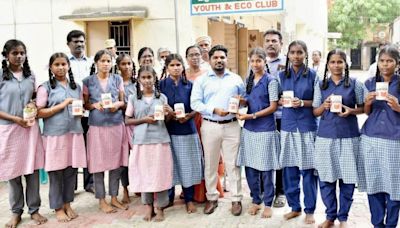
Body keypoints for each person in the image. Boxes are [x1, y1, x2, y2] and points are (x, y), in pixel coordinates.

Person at [312, 49, 364, 228]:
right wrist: (324, 106)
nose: (336, 65)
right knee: (326, 180)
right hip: (326, 137)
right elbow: (315, 111)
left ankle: (343, 218)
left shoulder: (355, 84)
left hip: (349, 136)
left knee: (347, 180)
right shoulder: (321, 85)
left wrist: (351, 110)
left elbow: (364, 108)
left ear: (345, 64)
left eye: (340, 62)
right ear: (327, 65)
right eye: (333, 62)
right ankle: (330, 216)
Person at [191, 45, 244, 216]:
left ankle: (236, 199)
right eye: (216, 57)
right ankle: (212, 198)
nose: (219, 60)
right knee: (211, 164)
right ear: (210, 59)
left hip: (232, 125)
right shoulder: (202, 80)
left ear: (226, 59)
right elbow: (195, 103)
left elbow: (244, 100)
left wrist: (241, 102)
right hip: (210, 125)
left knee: (233, 163)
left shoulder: (236, 79)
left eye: (222, 57)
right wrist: (214, 110)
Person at [0, 39, 47, 227]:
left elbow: (36, 97)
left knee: (33, 170)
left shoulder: (31, 75)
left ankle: (34, 210)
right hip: (9, 129)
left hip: (29, 128)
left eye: (22, 53)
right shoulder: (1, 76)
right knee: (13, 172)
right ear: (6, 55)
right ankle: (16, 212)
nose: (19, 56)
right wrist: (14, 118)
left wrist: (34, 104)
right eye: (14, 53)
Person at [36, 52, 87, 222]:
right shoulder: (45, 87)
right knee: (56, 171)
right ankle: (57, 207)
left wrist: (79, 112)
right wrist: (63, 105)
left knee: (71, 170)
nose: (60, 67)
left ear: (68, 66)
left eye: (63, 64)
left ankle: (67, 203)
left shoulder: (76, 87)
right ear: (51, 67)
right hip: (55, 135)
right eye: (57, 64)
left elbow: (80, 107)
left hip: (73, 132)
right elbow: (39, 112)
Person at [358, 45, 400, 228]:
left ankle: (391, 224)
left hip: (394, 139)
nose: (385, 65)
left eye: (390, 61)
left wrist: (398, 106)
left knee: (395, 185)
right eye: (382, 60)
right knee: (374, 182)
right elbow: (367, 113)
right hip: (370, 137)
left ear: (397, 63)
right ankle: (377, 224)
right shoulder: (369, 83)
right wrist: (367, 103)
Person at [125, 66, 173, 222]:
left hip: (160, 140)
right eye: (144, 78)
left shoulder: (162, 98)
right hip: (141, 141)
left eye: (149, 77)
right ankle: (148, 207)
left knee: (160, 174)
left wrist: (170, 113)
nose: (147, 80)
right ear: (139, 79)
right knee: (144, 174)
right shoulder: (133, 98)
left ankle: (160, 208)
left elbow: (167, 121)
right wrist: (144, 119)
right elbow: (127, 120)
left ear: (155, 78)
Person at [236, 47, 280, 218]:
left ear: (265, 61)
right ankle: (256, 199)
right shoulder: (248, 80)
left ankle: (268, 202)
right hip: (249, 129)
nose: (255, 64)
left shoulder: (271, 81)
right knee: (250, 167)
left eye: (259, 60)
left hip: (265, 129)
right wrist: (242, 101)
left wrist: (252, 115)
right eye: (252, 61)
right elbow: (250, 101)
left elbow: (273, 107)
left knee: (266, 168)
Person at [82, 49, 128, 213]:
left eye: (108, 61)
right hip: (97, 126)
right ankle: (102, 200)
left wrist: (117, 105)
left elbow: (123, 102)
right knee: (98, 164)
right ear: (96, 63)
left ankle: (114, 197)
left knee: (116, 163)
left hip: (116, 124)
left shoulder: (117, 79)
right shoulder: (87, 81)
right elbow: (85, 104)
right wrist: (94, 105)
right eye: (102, 61)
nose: (106, 64)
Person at [278, 40, 318, 224]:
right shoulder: (280, 75)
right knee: (289, 169)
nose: (296, 56)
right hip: (287, 126)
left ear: (305, 54)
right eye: (292, 52)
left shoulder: (313, 76)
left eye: (300, 52)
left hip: (306, 126)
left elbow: (319, 102)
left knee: (307, 170)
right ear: (287, 54)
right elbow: (274, 99)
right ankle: (294, 207)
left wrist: (302, 103)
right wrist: (279, 101)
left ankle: (310, 209)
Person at [160, 54, 203, 213]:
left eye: (179, 65)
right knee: (170, 165)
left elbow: (197, 105)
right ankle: (169, 197)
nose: (176, 68)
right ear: (167, 67)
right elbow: (158, 107)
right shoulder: (161, 85)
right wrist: (168, 114)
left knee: (187, 166)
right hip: (168, 131)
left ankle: (189, 199)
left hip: (187, 130)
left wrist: (189, 116)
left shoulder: (190, 85)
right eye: (172, 65)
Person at [66, 30, 94, 193]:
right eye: (76, 41)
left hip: (88, 113)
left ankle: (90, 183)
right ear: (69, 44)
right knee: (73, 148)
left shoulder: (90, 62)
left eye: (82, 41)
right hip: (70, 113)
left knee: (89, 147)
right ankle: (72, 186)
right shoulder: (63, 62)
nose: (79, 44)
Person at [263, 29, 286, 208]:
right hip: (262, 117)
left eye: (274, 41)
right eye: (268, 41)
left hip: (281, 116)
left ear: (281, 43)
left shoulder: (287, 63)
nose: (271, 43)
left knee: (281, 155)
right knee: (265, 154)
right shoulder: (257, 62)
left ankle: (281, 192)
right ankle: (265, 189)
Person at [116, 53, 137, 204]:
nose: (127, 66)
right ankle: (125, 188)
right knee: (124, 158)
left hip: (138, 123)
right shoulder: (116, 83)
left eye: (129, 63)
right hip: (121, 123)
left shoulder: (138, 83)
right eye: (123, 64)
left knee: (138, 156)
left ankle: (141, 186)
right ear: (118, 66)